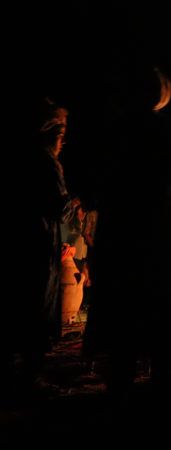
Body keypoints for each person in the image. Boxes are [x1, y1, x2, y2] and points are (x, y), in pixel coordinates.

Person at [82, 65, 171, 402]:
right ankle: (162, 378)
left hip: (119, 231)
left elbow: (94, 182)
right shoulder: (169, 129)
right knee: (156, 301)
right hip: (155, 229)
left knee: (120, 303)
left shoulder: (112, 130)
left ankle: (121, 379)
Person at [3, 98, 74, 396]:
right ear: (48, 130)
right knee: (35, 309)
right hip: (36, 246)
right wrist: (80, 202)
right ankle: (30, 379)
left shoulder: (15, 158)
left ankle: (12, 374)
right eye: (61, 132)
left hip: (18, 245)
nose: (64, 140)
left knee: (15, 308)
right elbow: (58, 207)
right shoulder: (45, 162)